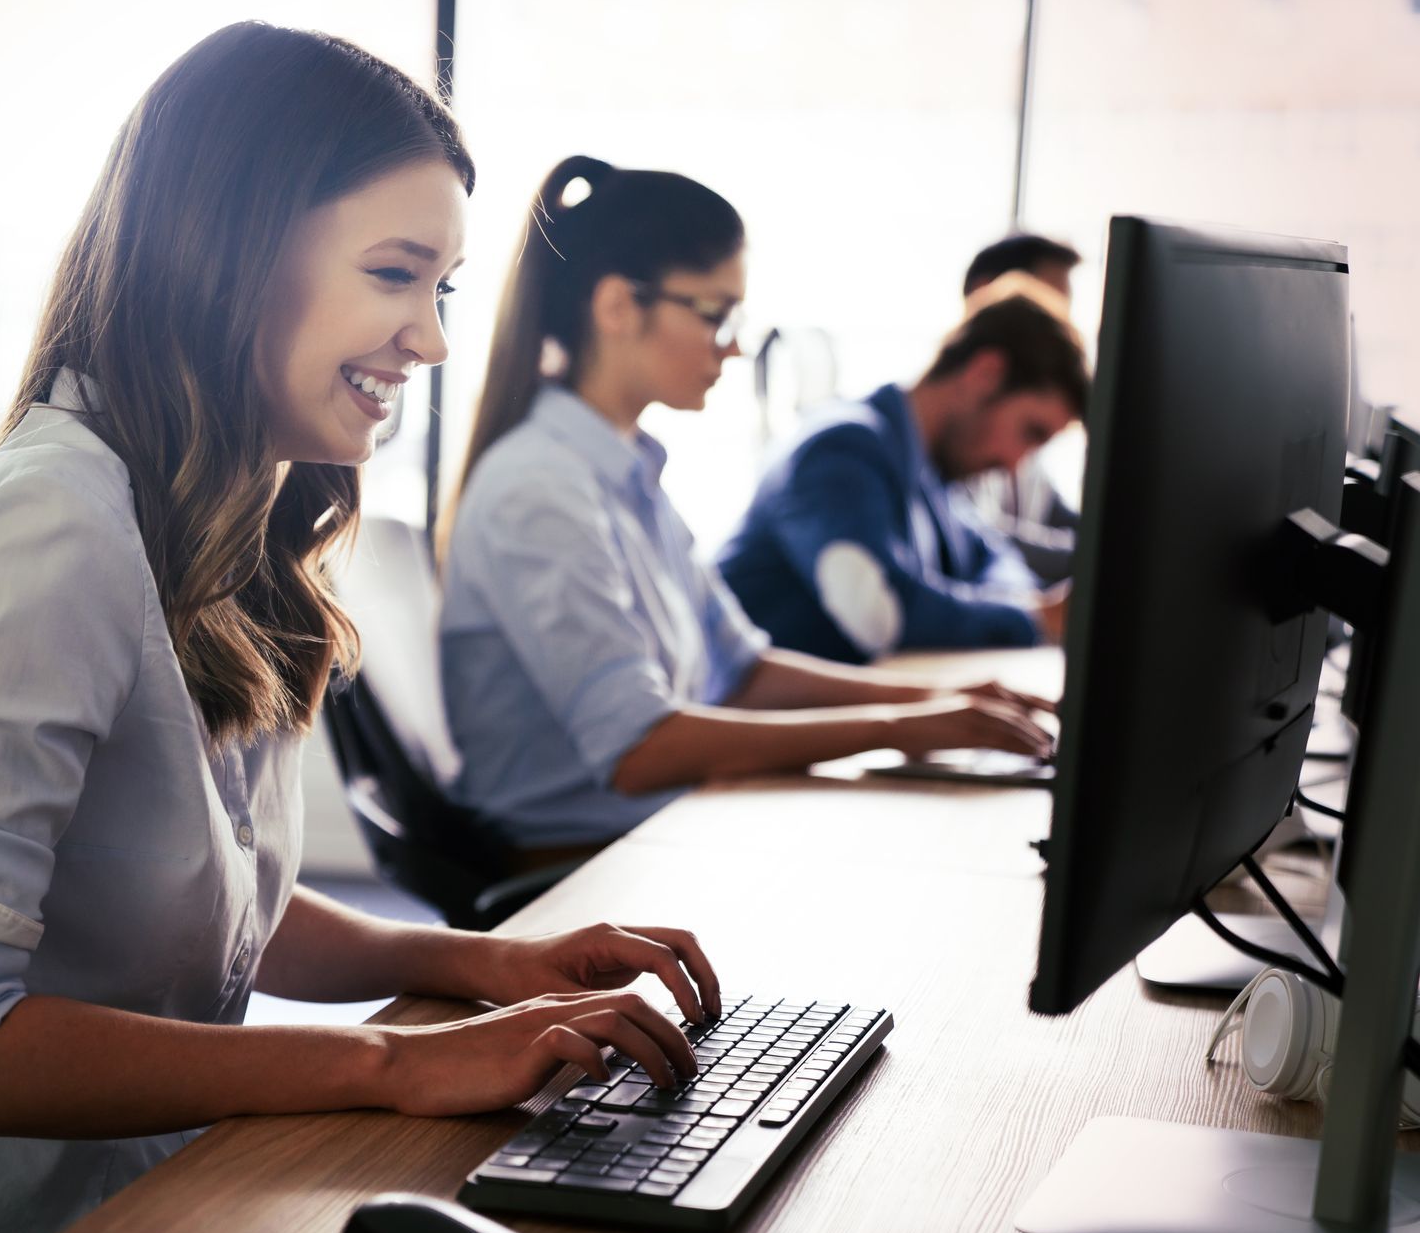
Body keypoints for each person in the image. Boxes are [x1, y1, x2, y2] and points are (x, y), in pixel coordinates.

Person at [0, 27, 725, 1233]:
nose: (428, 340)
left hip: (161, 1186)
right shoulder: (46, 529)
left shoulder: (225, 517)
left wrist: (477, 965)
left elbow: (218, 916)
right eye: (393, 275)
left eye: (443, 290)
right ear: (226, 255)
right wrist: (390, 1064)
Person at [438, 156, 1055, 856]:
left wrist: (942, 704)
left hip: (659, 829)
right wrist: (898, 729)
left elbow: (745, 671)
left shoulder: (626, 471)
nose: (734, 346)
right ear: (617, 307)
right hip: (581, 866)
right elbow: (639, 747)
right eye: (716, 313)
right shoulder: (539, 489)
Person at [716, 274, 1088, 666]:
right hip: (763, 720)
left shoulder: (933, 473)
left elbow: (1000, 561)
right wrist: (1034, 617)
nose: (1016, 463)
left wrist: (1019, 609)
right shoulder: (841, 450)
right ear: (985, 374)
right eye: (1031, 432)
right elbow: (881, 614)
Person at [960, 233, 1085, 580]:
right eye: (1045, 310)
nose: (1058, 335)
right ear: (986, 293)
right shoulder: (950, 430)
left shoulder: (1023, 423)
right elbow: (978, 540)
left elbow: (1064, 521)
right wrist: (1094, 563)